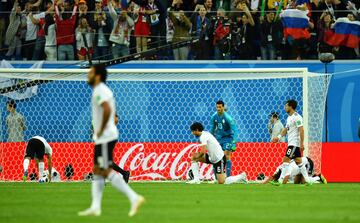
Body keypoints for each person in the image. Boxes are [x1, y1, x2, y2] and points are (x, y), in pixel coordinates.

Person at [78, 64, 144, 217]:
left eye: (91, 73)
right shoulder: (101, 90)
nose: (88, 75)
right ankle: (95, 206)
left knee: (104, 170)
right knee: (98, 169)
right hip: (106, 136)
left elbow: (107, 109)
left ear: (98, 76)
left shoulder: (100, 90)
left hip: (105, 136)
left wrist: (100, 130)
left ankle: (134, 198)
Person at [272, 99, 312, 185]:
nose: (285, 107)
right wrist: (278, 137)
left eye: (286, 106)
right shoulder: (289, 118)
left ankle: (280, 181)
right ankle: (308, 181)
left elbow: (301, 130)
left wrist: (301, 143)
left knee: (286, 159)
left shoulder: (297, 117)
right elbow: (286, 129)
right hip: (291, 143)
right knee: (299, 162)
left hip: (294, 144)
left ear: (291, 107)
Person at [210, 100, 238, 177]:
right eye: (217, 107)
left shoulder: (228, 118)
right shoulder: (214, 117)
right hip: (218, 139)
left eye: (220, 107)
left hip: (228, 138)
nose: (218, 108)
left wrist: (234, 143)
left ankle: (228, 177)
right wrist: (210, 140)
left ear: (223, 107)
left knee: (226, 156)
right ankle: (216, 178)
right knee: (216, 157)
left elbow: (235, 130)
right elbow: (212, 128)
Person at [263, 157, 327, 185]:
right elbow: (272, 176)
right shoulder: (279, 168)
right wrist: (264, 183)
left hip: (306, 163)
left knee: (304, 181)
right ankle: (312, 177)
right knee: (296, 183)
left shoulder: (288, 168)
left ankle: (318, 177)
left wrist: (278, 183)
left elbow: (284, 181)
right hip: (298, 169)